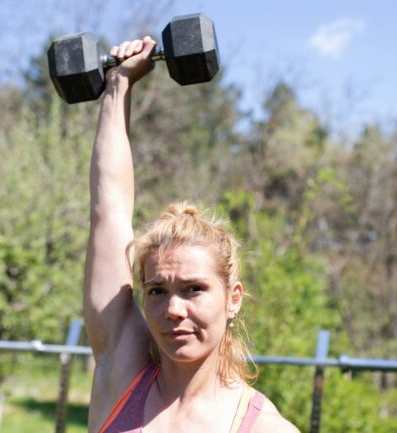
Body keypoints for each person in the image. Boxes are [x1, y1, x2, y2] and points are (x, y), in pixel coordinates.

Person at [83, 35, 299, 433]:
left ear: (232, 298)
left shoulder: (264, 428)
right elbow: (108, 212)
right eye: (157, 291)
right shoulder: (122, 370)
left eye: (194, 289)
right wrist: (118, 84)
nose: (173, 310)